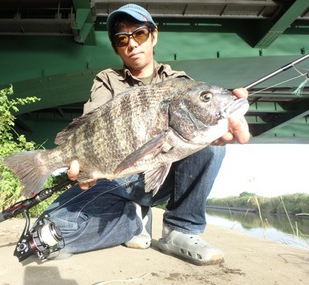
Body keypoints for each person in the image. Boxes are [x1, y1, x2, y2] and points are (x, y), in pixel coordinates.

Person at [34, 4, 250, 266]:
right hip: (115, 178)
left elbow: (203, 121)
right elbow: (91, 127)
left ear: (153, 35)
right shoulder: (107, 79)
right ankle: (131, 220)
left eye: (138, 34)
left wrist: (222, 124)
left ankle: (182, 229)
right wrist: (82, 166)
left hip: (162, 175)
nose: (132, 44)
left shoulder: (180, 82)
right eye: (122, 39)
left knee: (211, 145)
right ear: (116, 47)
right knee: (48, 230)